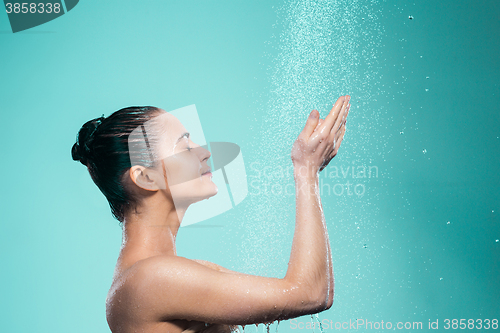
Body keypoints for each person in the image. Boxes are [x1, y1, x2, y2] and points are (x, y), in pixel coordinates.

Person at [71, 96, 351, 333]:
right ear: (145, 177)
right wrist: (306, 170)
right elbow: (309, 294)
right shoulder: (151, 279)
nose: (204, 153)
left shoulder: (173, 274)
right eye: (185, 146)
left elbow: (309, 292)